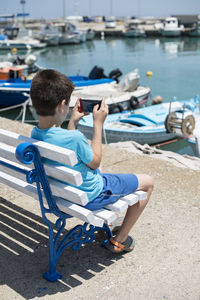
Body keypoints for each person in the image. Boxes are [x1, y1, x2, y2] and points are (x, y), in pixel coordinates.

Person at [30, 69, 154, 254]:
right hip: (91, 196)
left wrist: (72, 122)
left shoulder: (35, 134)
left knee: (98, 168)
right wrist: (98, 124)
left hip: (61, 195)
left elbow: (70, 145)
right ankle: (119, 241)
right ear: (63, 105)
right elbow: (95, 162)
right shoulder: (75, 139)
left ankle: (110, 222)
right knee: (147, 182)